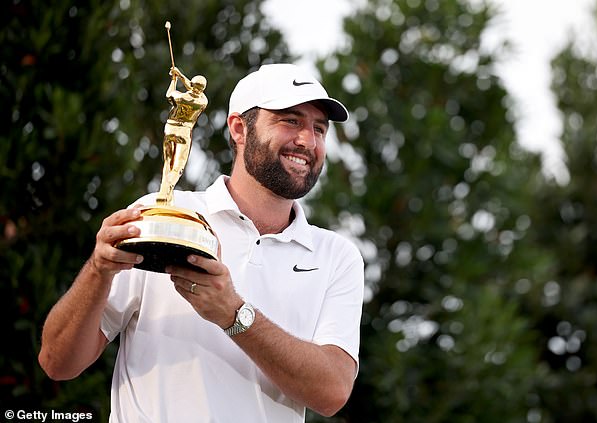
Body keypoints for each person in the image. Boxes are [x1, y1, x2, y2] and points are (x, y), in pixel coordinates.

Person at [38, 63, 364, 422]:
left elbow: (333, 391)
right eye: (290, 121)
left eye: (319, 128)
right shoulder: (158, 217)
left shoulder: (337, 256)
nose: (308, 140)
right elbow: (57, 362)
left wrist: (233, 314)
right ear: (239, 128)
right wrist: (98, 271)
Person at [157, 66, 208, 205]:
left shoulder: (181, 97)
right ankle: (167, 190)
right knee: (178, 167)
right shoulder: (203, 102)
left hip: (170, 128)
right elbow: (193, 88)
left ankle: (164, 191)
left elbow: (169, 94)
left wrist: (174, 79)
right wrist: (179, 75)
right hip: (184, 132)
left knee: (168, 162)